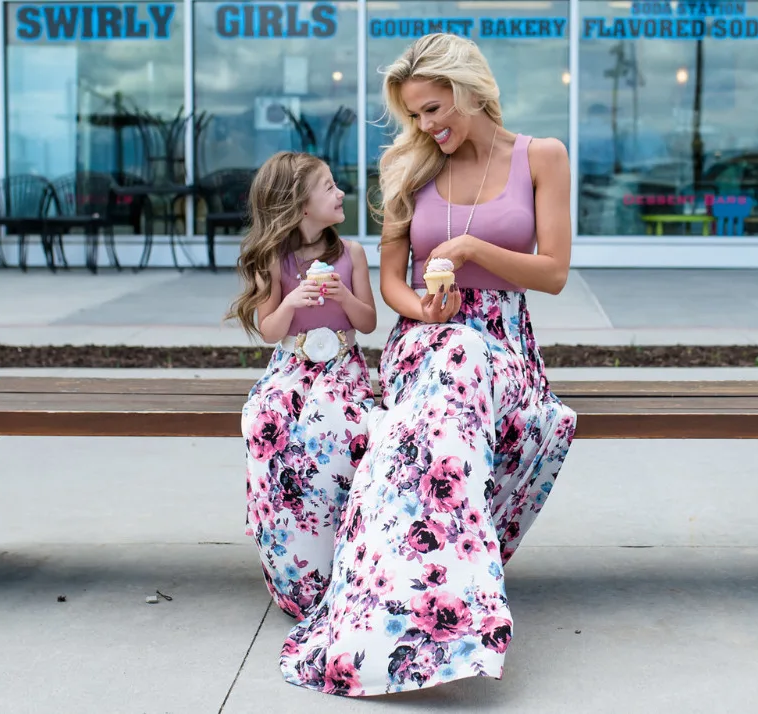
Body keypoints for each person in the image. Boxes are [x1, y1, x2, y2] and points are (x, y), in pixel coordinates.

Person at [279, 34, 577, 696]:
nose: (425, 125)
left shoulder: (542, 157)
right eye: (415, 114)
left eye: (435, 108)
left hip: (503, 342)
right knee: (453, 356)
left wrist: (472, 247)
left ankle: (406, 588)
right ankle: (436, 597)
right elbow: (391, 282)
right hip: (424, 338)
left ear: (471, 91)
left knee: (462, 364)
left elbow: (553, 272)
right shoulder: (405, 165)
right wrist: (426, 307)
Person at [231, 151, 378, 620]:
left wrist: (344, 295)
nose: (341, 194)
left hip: (342, 367)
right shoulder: (276, 259)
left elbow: (369, 323)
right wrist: (292, 298)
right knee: (266, 419)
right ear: (298, 203)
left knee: (340, 428)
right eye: (330, 186)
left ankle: (338, 550)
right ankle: (287, 549)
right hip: (291, 367)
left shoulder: (350, 254)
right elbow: (271, 331)